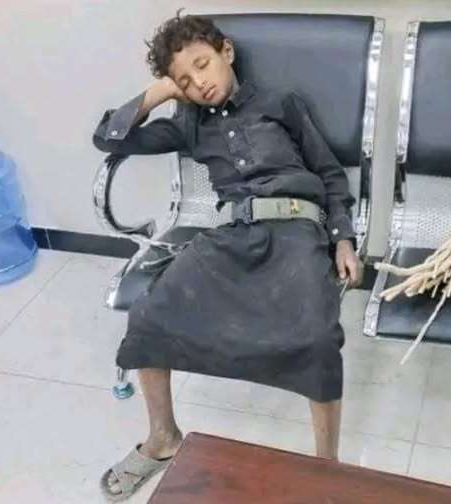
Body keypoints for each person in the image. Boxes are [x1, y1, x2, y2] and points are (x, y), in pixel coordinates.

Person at [93, 12, 363, 502]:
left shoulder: (280, 103)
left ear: (227, 52)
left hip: (299, 233)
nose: (199, 83)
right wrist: (159, 93)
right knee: (149, 315)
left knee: (319, 340)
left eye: (202, 65)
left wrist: (343, 239)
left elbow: (329, 174)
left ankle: (327, 468)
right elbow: (108, 138)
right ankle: (162, 438)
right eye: (185, 81)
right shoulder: (188, 126)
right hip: (233, 235)